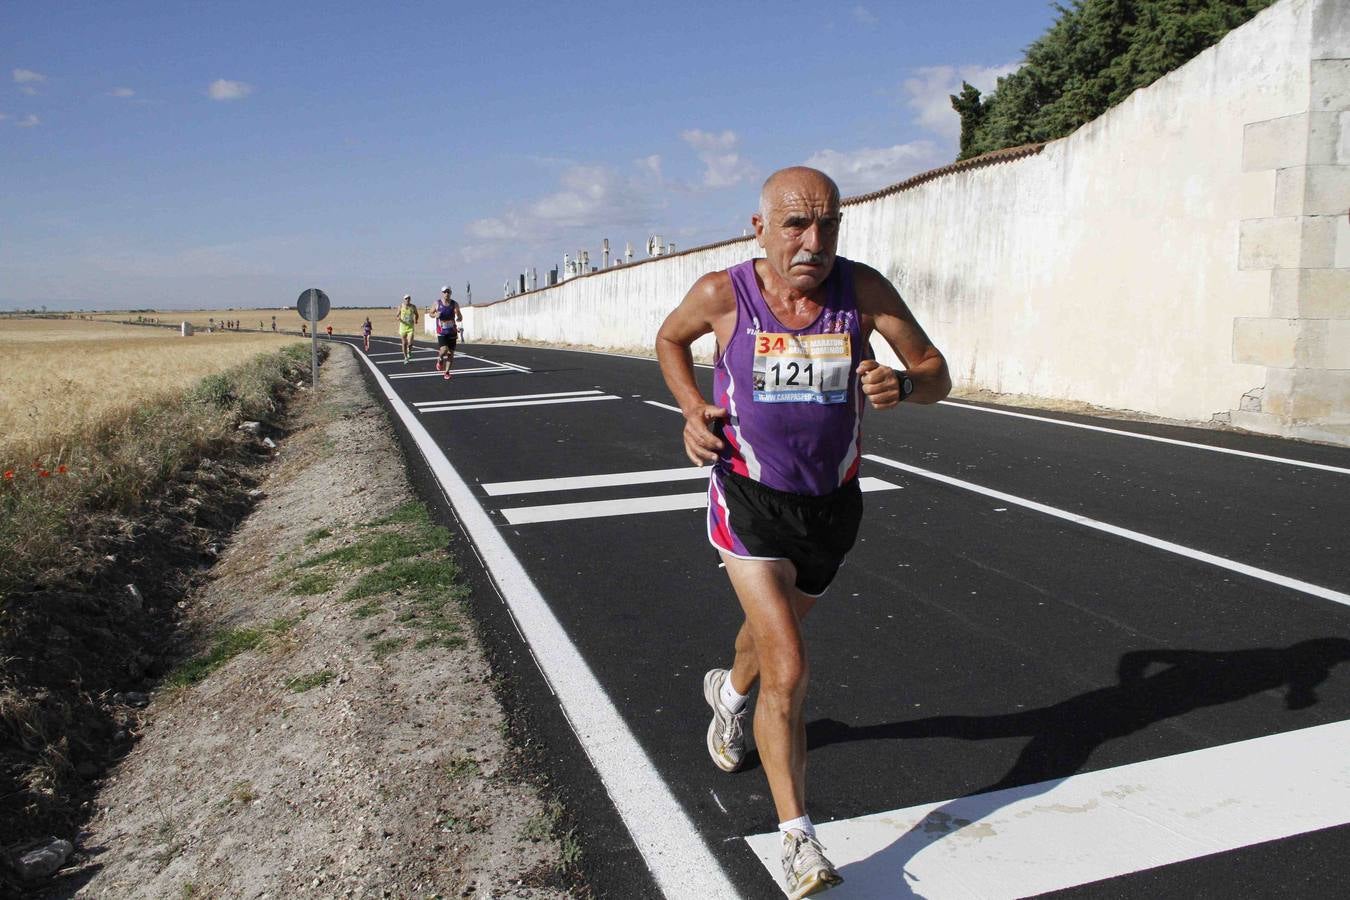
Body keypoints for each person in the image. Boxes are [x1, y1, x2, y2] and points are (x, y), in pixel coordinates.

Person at [655, 166, 951, 899]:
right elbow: (669, 340)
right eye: (795, 223)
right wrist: (693, 407)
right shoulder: (724, 293)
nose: (812, 241)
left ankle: (728, 694)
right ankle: (799, 842)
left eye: (827, 224)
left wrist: (905, 387)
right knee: (789, 664)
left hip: (831, 508)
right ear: (759, 227)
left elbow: (936, 370)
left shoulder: (864, 291)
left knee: (765, 643)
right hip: (747, 500)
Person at [433, 286, 463, 380]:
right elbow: (430, 313)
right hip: (441, 331)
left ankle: (446, 372)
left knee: (451, 353)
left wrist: (459, 317)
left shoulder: (454, 304)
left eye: (448, 292)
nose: (447, 294)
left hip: (452, 331)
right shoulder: (437, 303)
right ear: (442, 293)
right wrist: (435, 314)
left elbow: (460, 316)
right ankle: (440, 359)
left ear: (451, 293)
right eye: (445, 292)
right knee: (444, 350)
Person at [396, 295, 418, 363]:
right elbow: (397, 315)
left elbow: (417, 314)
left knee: (410, 342)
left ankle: (410, 351)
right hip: (402, 327)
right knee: (404, 343)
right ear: (404, 299)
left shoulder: (413, 307)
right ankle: (405, 357)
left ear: (410, 299)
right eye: (406, 298)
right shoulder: (401, 306)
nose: (407, 299)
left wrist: (416, 320)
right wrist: (399, 319)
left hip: (410, 327)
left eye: (408, 298)